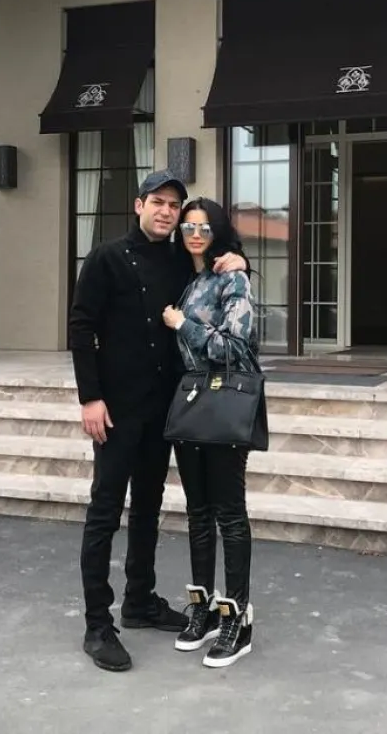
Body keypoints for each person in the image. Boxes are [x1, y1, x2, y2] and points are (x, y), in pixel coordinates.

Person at [69, 171, 248, 673]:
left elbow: (218, 267)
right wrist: (90, 398)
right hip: (116, 409)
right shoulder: (105, 258)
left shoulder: (178, 260)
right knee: (105, 511)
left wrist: (240, 260)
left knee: (148, 507)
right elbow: (81, 327)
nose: (168, 212)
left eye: (174, 205)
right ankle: (98, 625)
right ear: (139, 205)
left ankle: (140, 600)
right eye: (159, 203)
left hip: (164, 409)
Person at [161, 197, 260, 669]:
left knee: (229, 513)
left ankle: (237, 619)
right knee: (197, 512)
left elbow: (234, 347)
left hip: (223, 403)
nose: (195, 234)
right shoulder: (186, 278)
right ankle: (201, 607)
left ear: (217, 231)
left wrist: (183, 325)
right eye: (188, 227)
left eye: (204, 227)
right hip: (190, 404)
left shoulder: (232, 278)